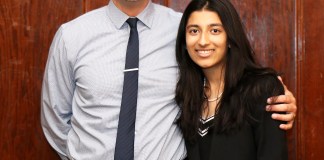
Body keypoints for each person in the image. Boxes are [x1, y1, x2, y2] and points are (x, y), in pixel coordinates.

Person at [41, 0, 296, 159]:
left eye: (211, 32)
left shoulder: (184, 29)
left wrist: (275, 94)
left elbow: (226, 72)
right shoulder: (71, 36)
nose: (202, 38)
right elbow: (56, 119)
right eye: (196, 32)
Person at [175, 0, 289, 159]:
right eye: (194, 31)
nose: (202, 41)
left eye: (214, 30)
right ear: (184, 42)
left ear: (230, 37)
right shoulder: (186, 96)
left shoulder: (261, 89)